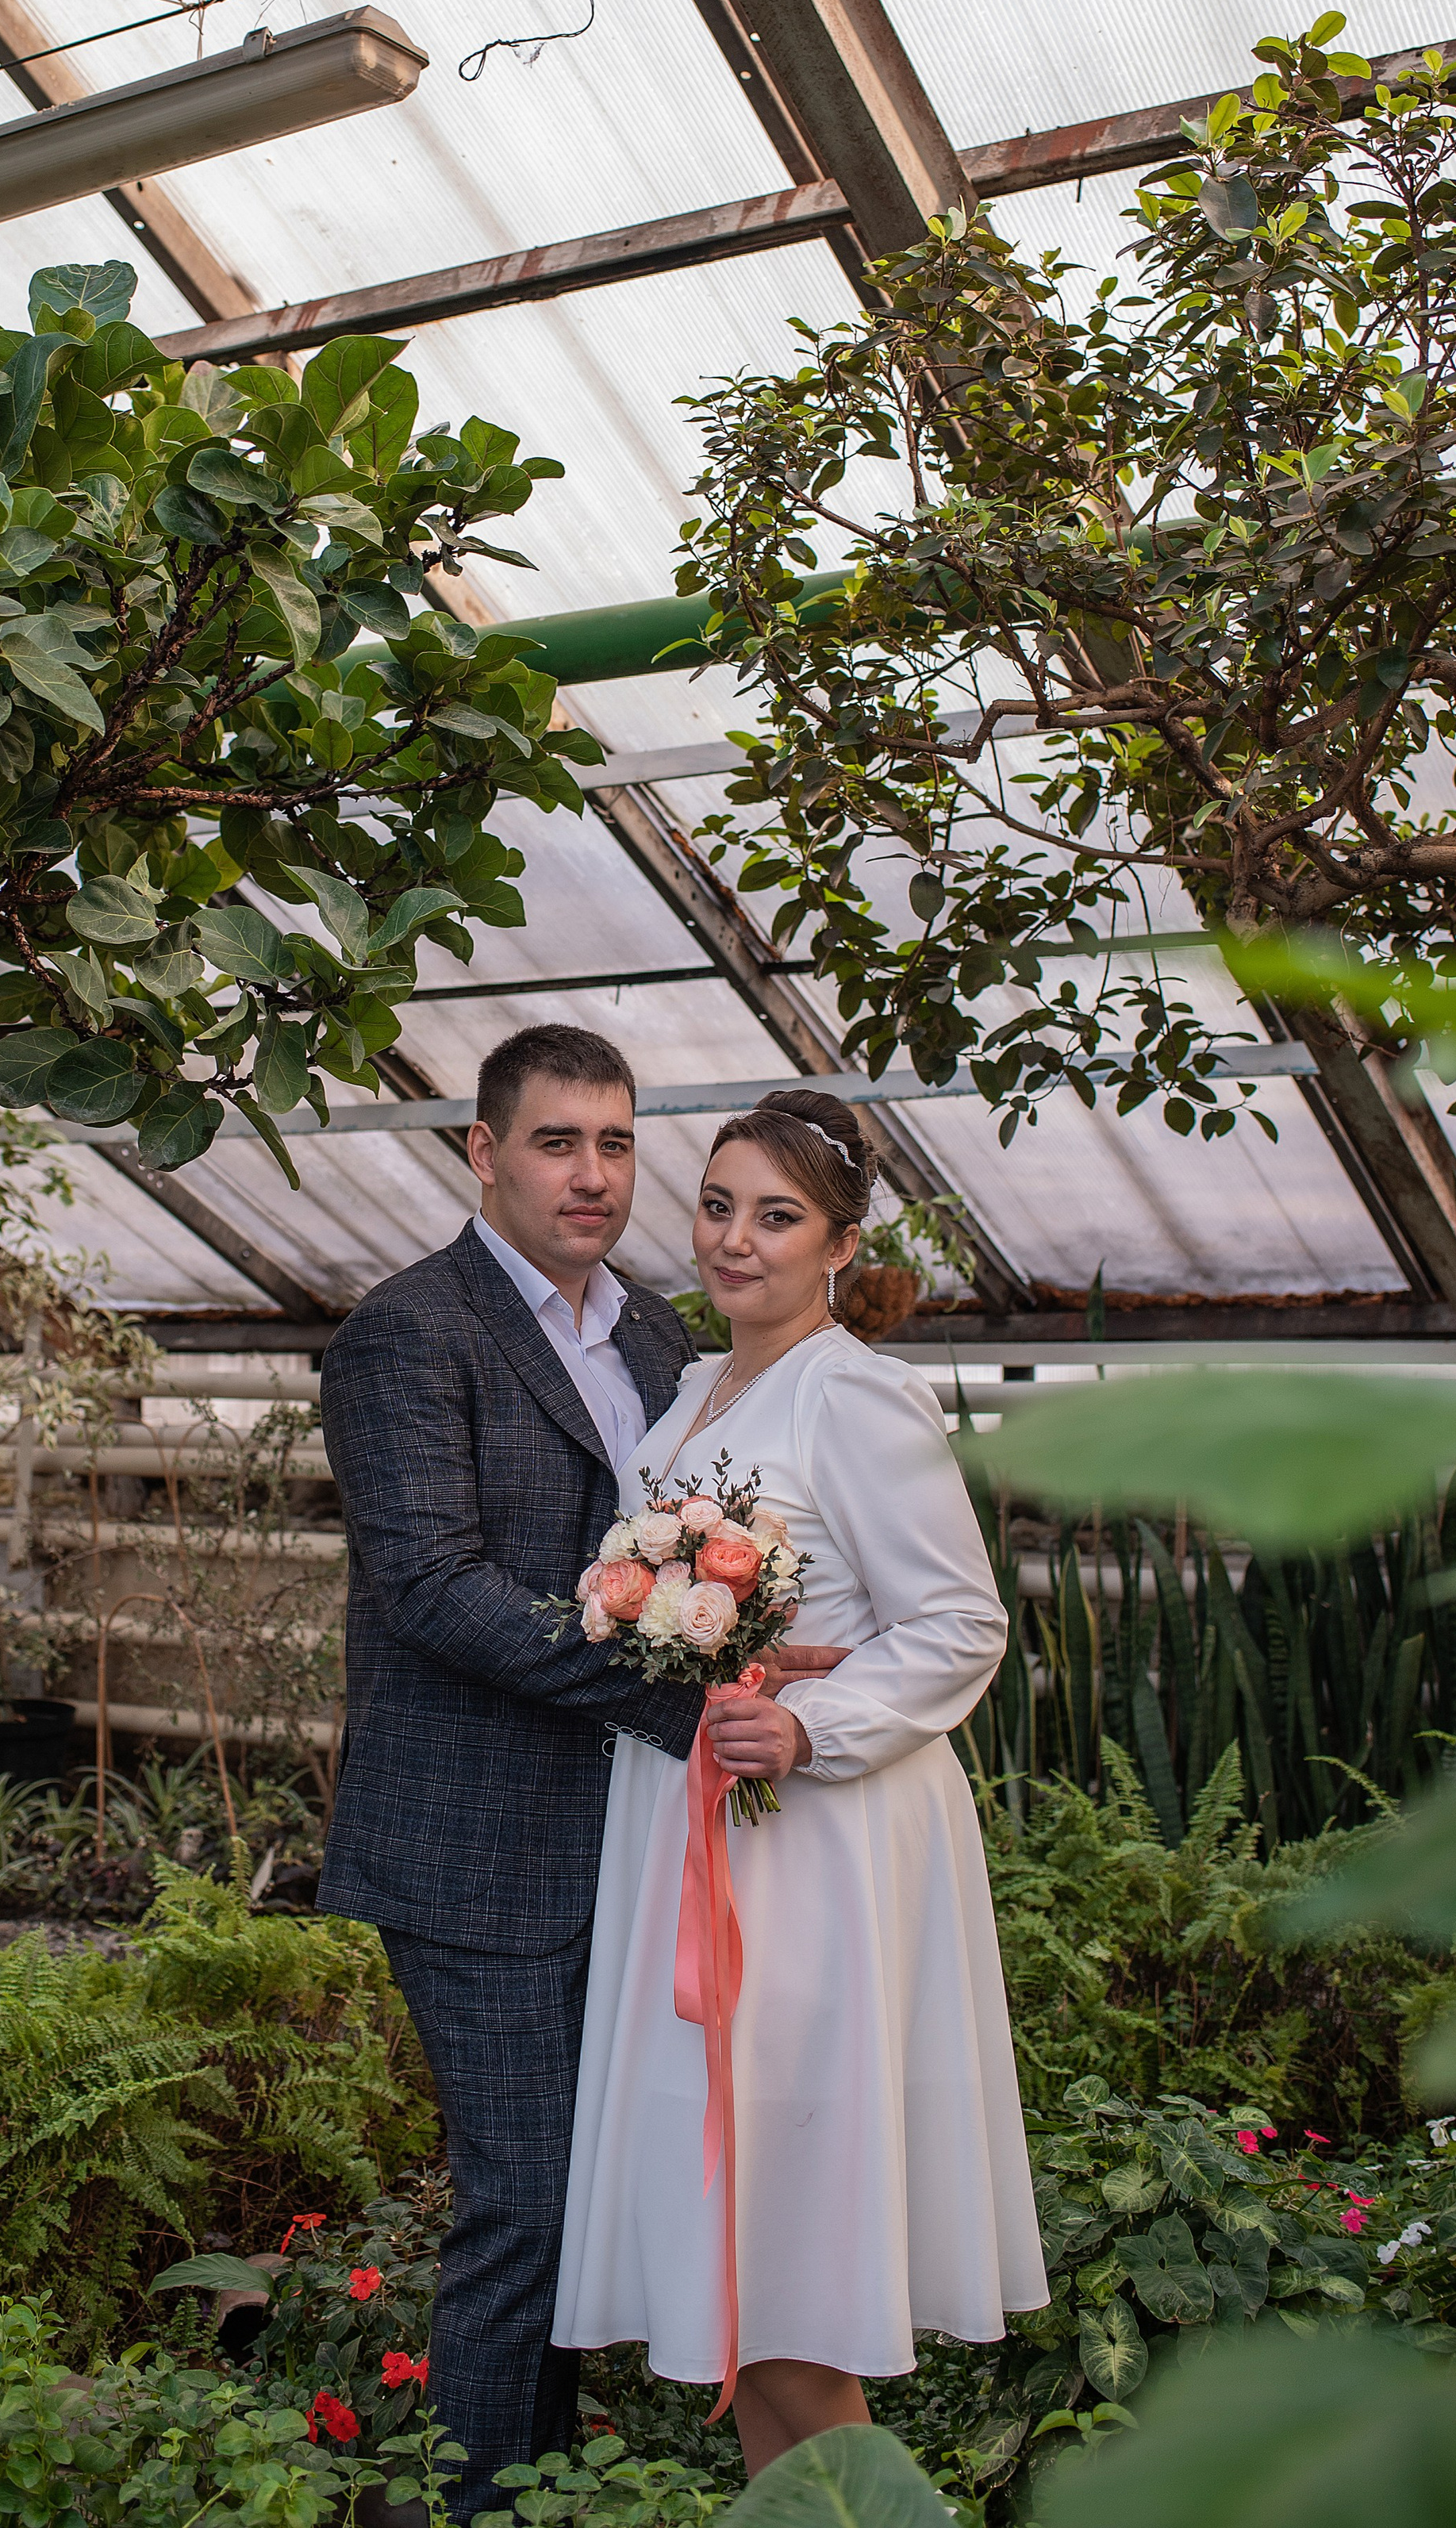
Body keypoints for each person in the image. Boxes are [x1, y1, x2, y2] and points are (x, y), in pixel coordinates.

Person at [317, 1026, 842, 2515]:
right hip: (477, 1847)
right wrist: (685, 1698)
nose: (593, 1173)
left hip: (631, 1841)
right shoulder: (408, 1334)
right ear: (483, 1152)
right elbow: (434, 1586)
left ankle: (549, 2485)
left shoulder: (668, 1337)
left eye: (615, 1142)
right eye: (558, 1142)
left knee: (609, 2201)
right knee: (525, 2208)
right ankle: (480, 2503)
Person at [552, 1085, 1048, 2472]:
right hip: (691, 1830)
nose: (734, 1239)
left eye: (775, 1216)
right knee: (738, 2260)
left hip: (810, 1852)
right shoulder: (696, 1390)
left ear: (838, 1243)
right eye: (717, 1206)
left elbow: (961, 1621)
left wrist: (817, 1723)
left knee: (790, 2261)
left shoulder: (860, 1395)